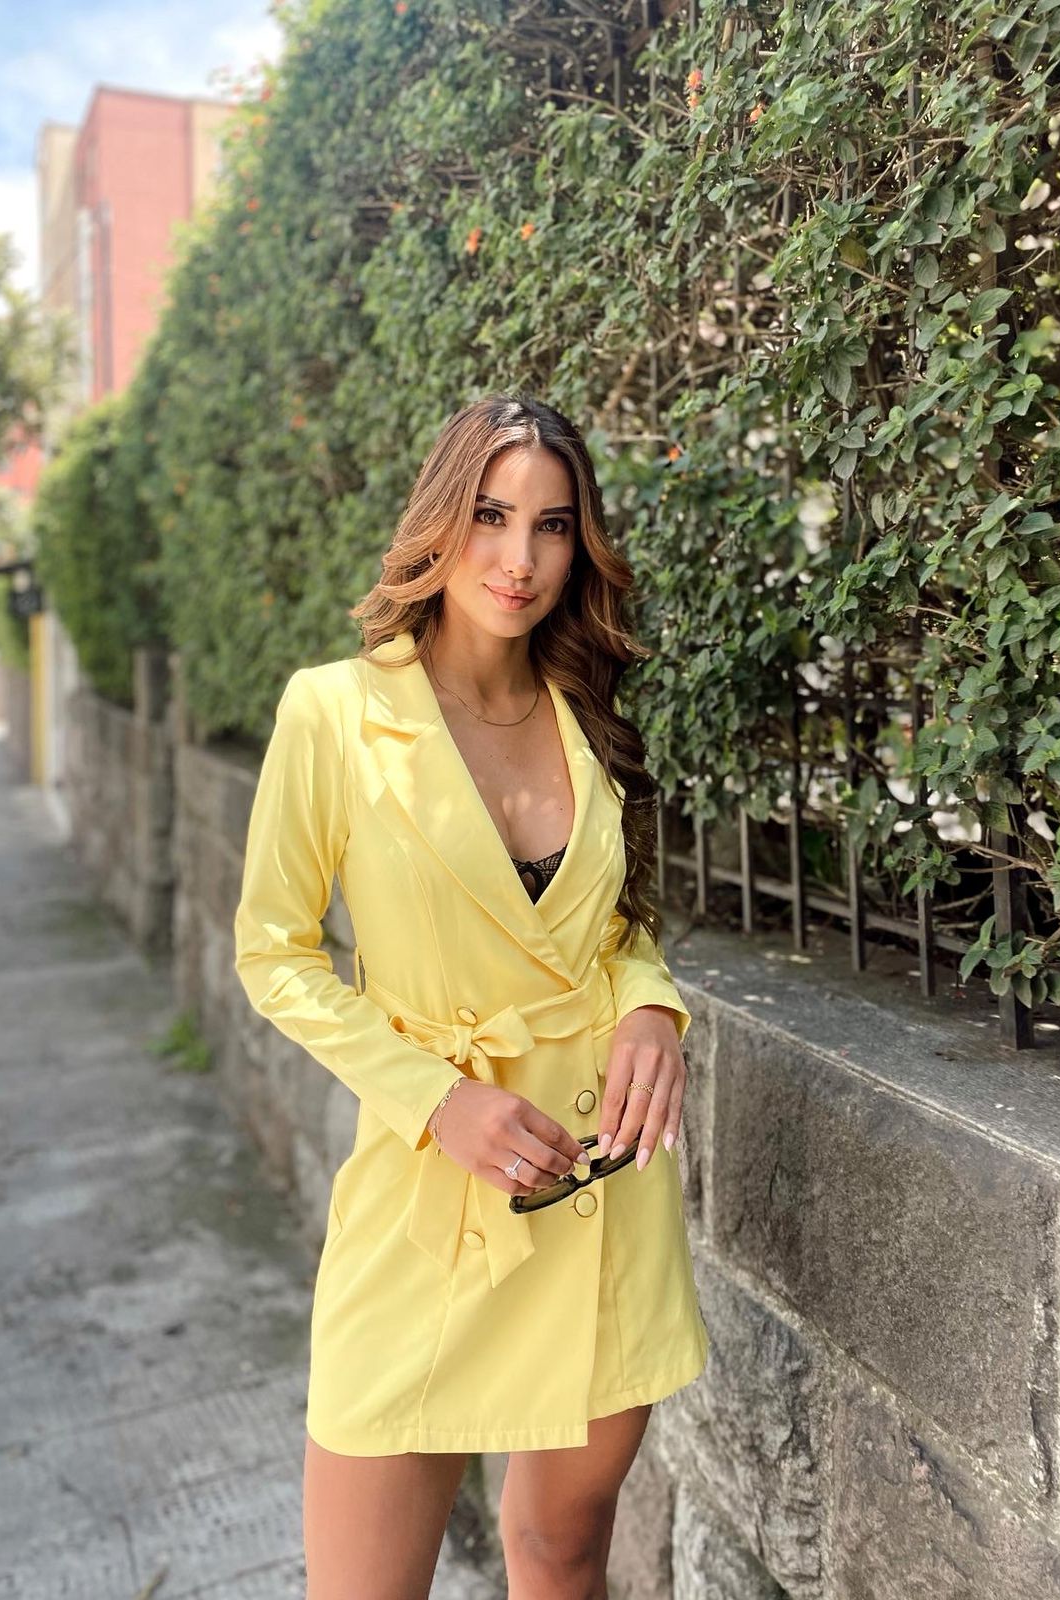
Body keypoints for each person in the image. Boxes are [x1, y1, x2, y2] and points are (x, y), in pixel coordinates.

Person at [234, 392, 708, 1599]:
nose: (517, 558)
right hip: (430, 1196)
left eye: (551, 525)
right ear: (440, 521)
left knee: (562, 1551)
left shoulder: (585, 712)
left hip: (596, 1186)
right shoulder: (334, 713)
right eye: (491, 515)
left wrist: (650, 1006)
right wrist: (437, 1098)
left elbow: (611, 928)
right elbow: (274, 953)